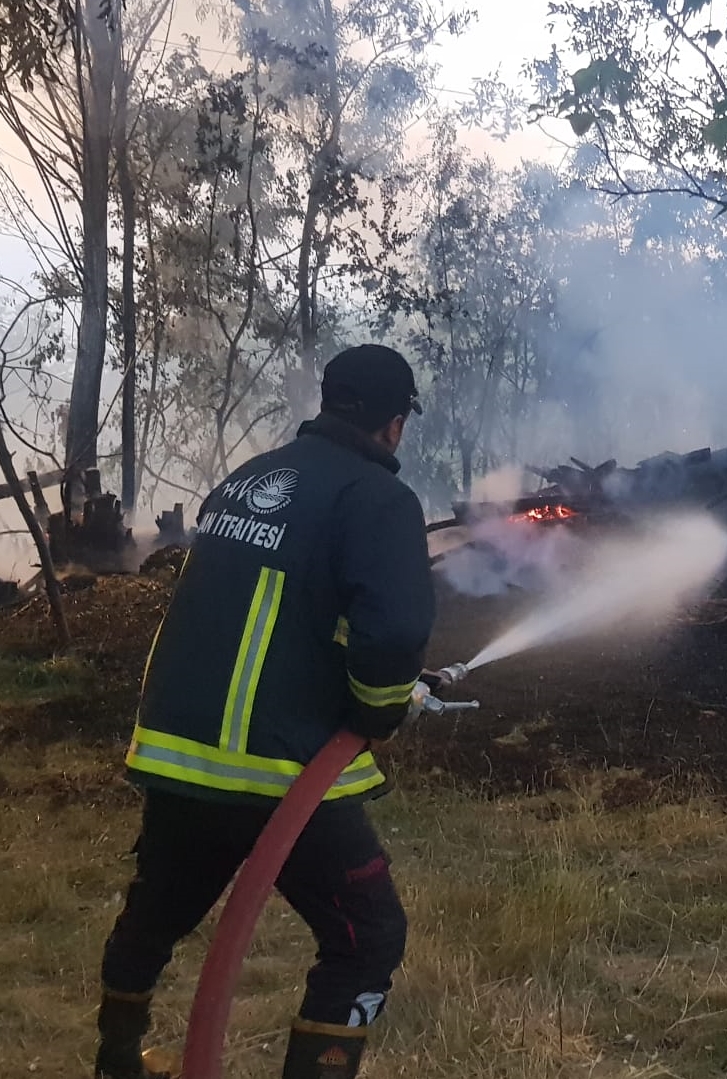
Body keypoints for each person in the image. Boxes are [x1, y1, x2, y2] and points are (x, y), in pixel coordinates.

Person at [94, 344, 438, 1079]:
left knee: (155, 915)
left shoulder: (249, 480)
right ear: (395, 425)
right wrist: (380, 711)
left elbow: (283, 611)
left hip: (178, 754)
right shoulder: (379, 499)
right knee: (366, 938)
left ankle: (115, 1061)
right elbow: (395, 634)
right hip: (278, 767)